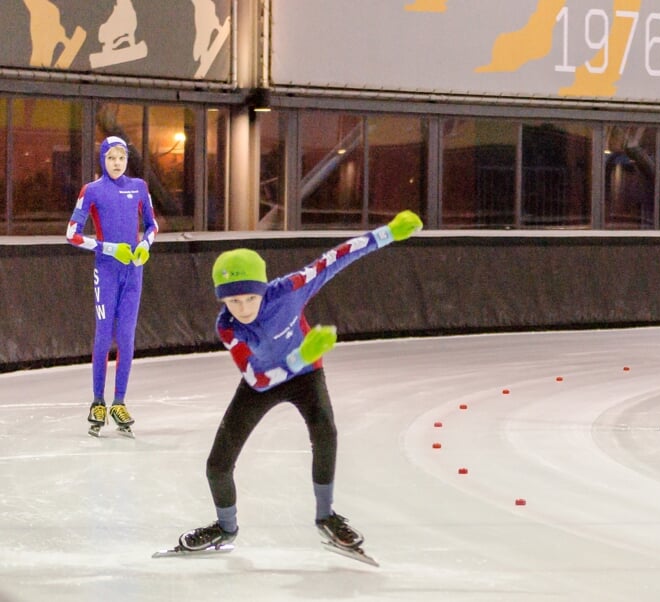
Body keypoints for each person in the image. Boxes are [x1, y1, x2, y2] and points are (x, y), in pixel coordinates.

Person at [175, 210, 423, 554]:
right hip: (266, 381)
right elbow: (257, 379)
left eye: (250, 297)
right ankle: (225, 528)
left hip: (306, 376)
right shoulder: (227, 327)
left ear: (263, 289)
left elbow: (335, 259)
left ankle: (326, 516)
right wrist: (300, 356)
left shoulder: (289, 290)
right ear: (222, 300)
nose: (243, 307)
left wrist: (388, 233)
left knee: (326, 433)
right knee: (217, 465)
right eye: (233, 300)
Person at [66, 135, 158, 437]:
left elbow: (152, 225)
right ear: (102, 160)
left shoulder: (140, 187)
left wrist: (145, 244)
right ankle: (98, 402)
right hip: (106, 271)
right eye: (111, 158)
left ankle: (119, 401)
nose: (116, 164)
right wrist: (108, 248)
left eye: (121, 158)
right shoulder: (92, 191)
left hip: (134, 271)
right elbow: (72, 234)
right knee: (104, 334)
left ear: (127, 159)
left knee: (127, 336)